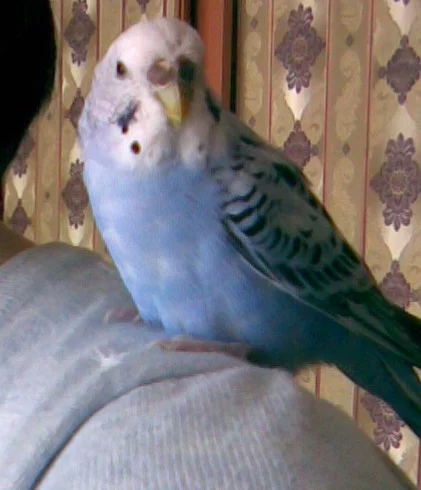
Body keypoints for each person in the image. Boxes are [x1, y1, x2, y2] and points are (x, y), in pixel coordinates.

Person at [0, 2, 416, 489]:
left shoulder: (237, 180)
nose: (166, 92)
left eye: (187, 76)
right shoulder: (101, 175)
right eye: (125, 73)